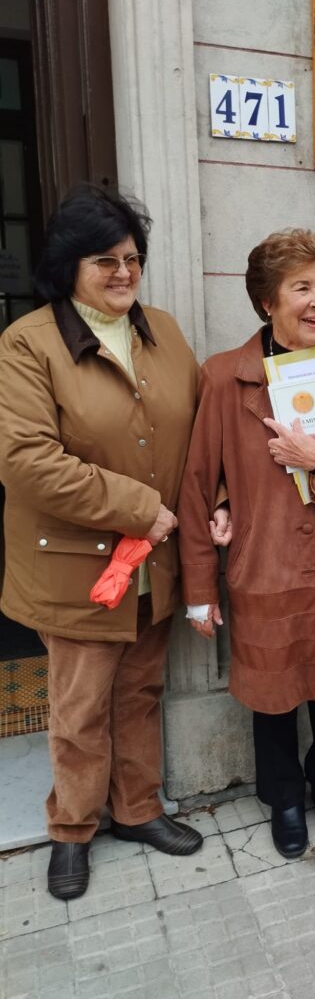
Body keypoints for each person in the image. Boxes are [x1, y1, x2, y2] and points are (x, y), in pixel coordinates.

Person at [0, 184, 205, 901]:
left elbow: (202, 432)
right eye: (105, 260)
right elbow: (27, 460)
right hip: (78, 569)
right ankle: (72, 828)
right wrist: (141, 508)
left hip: (156, 564)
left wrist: (218, 501)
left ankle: (138, 809)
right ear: (69, 266)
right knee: (80, 707)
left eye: (133, 258)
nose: (124, 273)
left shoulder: (164, 331)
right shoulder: (27, 344)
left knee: (140, 691)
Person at [177, 228, 315, 859]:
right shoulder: (224, 377)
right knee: (272, 692)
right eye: (301, 287)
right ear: (267, 301)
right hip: (265, 560)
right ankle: (281, 796)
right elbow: (198, 484)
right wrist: (199, 587)